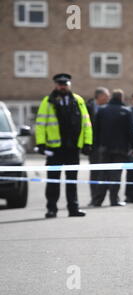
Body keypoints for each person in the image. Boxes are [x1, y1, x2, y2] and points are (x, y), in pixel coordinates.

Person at [35, 73, 93, 218]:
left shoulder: (78, 100)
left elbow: (86, 123)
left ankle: (73, 209)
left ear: (69, 85)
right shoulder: (48, 101)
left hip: (72, 148)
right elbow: (40, 124)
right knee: (53, 180)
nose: (63, 87)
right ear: (56, 85)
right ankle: (51, 209)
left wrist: (87, 143)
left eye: (65, 84)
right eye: (60, 84)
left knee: (71, 180)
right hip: (55, 149)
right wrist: (41, 143)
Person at [91, 89, 133, 207]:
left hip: (104, 148)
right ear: (121, 98)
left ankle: (98, 200)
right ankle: (114, 200)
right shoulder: (126, 112)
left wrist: (95, 146)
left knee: (103, 174)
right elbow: (131, 132)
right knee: (116, 175)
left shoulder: (102, 110)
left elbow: (95, 130)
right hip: (121, 149)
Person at [86, 87, 110, 206]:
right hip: (93, 147)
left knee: (107, 172)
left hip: (107, 146)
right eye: (106, 96)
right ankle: (94, 198)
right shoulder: (88, 107)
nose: (108, 98)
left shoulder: (108, 109)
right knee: (95, 173)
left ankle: (107, 197)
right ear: (99, 96)